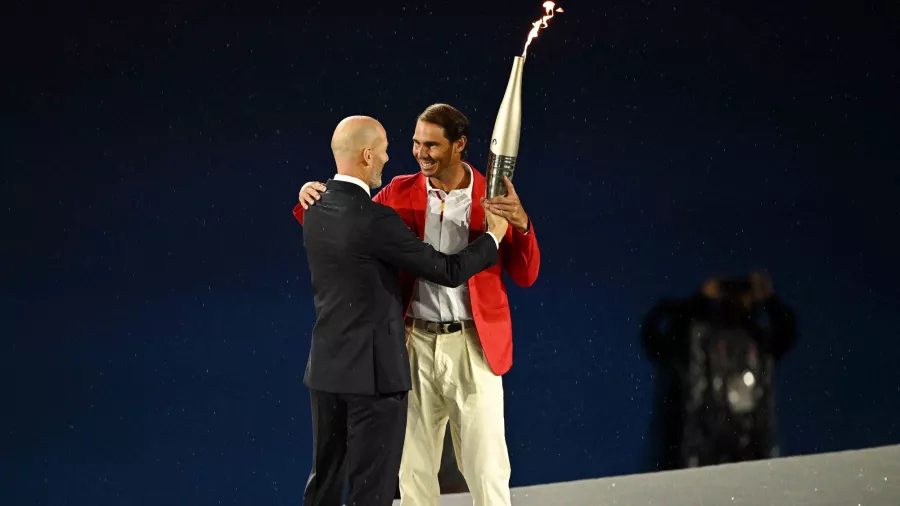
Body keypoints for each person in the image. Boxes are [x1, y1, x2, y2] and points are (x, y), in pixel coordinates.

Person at [294, 103, 540, 506]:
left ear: (459, 145)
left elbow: (526, 274)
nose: (420, 153)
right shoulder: (397, 192)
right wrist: (311, 197)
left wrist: (523, 226)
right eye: (415, 143)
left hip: (473, 347)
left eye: (432, 145)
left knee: (486, 468)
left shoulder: (490, 196)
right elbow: (344, 231)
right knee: (412, 474)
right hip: (413, 346)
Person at [641, 270, 797, 469]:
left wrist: (769, 298)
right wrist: (697, 300)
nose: (735, 299)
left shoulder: (760, 342)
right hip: (703, 452)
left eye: (741, 292)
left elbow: (788, 330)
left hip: (754, 450)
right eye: (728, 291)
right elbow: (653, 337)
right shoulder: (697, 343)